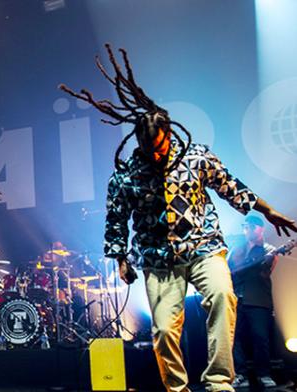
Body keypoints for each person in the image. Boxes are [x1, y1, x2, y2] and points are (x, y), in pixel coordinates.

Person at [59, 44, 297, 392]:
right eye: (147, 148)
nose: (154, 154)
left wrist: (268, 209)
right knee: (165, 330)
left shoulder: (197, 158)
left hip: (204, 248)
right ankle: (177, 388)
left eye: (159, 147)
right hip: (158, 258)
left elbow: (231, 187)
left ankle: (219, 382)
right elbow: (115, 218)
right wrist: (121, 258)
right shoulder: (127, 174)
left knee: (222, 297)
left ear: (169, 136)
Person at [229, 216, 280, 388]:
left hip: (258, 299)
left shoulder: (269, 249)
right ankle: (239, 373)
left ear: (260, 228)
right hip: (237, 298)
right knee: (234, 338)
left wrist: (267, 258)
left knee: (260, 338)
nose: (248, 230)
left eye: (251, 226)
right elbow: (230, 271)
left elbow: (266, 273)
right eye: (245, 227)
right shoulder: (236, 250)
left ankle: (263, 374)